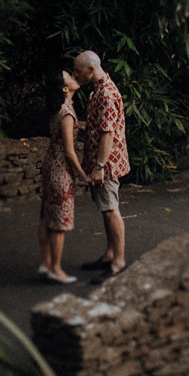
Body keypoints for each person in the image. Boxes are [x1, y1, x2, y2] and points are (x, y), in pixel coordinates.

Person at [72, 49, 129, 275]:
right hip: (104, 162)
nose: (76, 76)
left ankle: (119, 261)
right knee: (106, 209)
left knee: (111, 210)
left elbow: (108, 135)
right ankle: (110, 254)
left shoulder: (105, 94)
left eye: (78, 71)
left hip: (106, 164)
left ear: (91, 69)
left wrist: (99, 167)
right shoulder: (98, 89)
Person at [37, 68, 89, 283]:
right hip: (60, 171)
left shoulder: (57, 108)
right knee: (59, 222)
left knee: (46, 215)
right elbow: (70, 150)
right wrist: (83, 174)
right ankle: (56, 269)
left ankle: (45, 263)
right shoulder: (67, 113)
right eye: (70, 77)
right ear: (65, 88)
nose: (75, 77)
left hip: (50, 165)